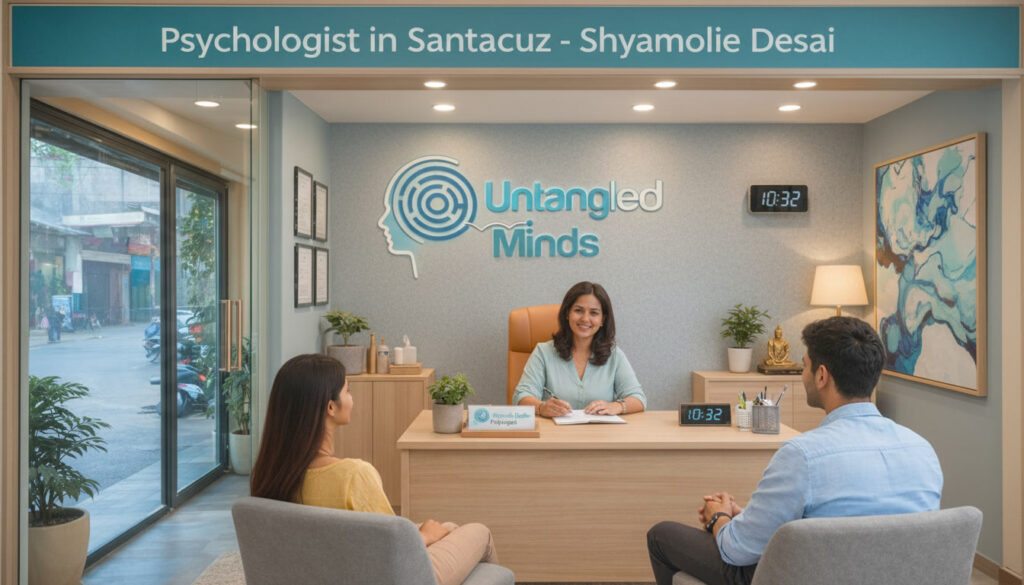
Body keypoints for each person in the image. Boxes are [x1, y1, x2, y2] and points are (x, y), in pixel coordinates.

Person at [647, 316, 942, 585]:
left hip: (810, 576)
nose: (803, 374)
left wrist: (719, 517)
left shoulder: (803, 455)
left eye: (804, 365)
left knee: (661, 535)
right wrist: (748, 516)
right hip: (897, 577)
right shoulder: (923, 450)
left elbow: (737, 550)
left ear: (822, 375)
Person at [250, 354, 498, 585]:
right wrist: (424, 537)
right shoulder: (353, 476)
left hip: (330, 573)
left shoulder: (270, 476)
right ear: (331, 407)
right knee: (480, 533)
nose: (352, 399)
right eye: (348, 390)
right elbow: (391, 550)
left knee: (450, 529)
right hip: (394, 577)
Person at [512, 281, 647, 417]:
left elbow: (638, 398)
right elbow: (521, 396)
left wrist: (617, 406)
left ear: (603, 319)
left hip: (601, 430)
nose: (585, 319)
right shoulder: (543, 352)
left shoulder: (614, 355)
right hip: (554, 430)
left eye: (594, 313)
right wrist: (541, 407)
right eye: (578, 310)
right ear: (567, 313)